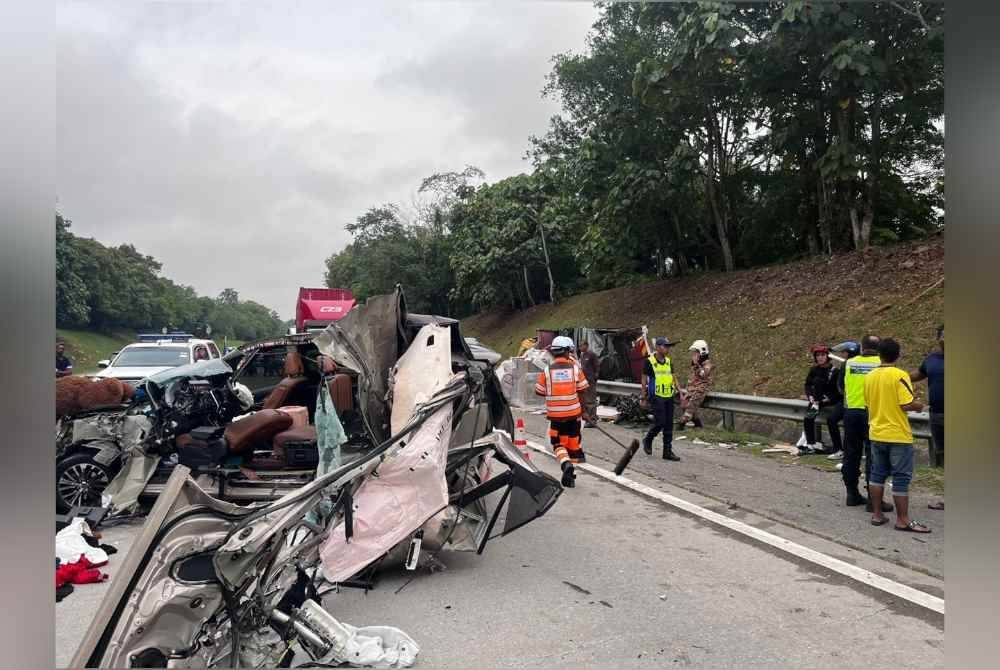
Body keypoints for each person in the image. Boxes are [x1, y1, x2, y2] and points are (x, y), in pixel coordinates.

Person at [866, 338, 930, 532]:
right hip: (898, 435)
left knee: (877, 474)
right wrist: (919, 406)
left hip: (876, 432)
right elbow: (906, 404)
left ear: (879, 354)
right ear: (898, 355)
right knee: (901, 477)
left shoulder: (869, 377)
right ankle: (902, 520)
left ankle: (877, 514)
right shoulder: (900, 375)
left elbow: (868, 403)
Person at [840, 334, 893, 512]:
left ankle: (852, 494)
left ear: (862, 348)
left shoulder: (849, 363)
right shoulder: (883, 363)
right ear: (879, 349)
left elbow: (841, 386)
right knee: (874, 456)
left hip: (851, 413)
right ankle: (873, 499)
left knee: (851, 454)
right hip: (873, 413)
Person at [535, 336, 590, 488]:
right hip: (574, 414)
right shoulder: (575, 369)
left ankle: (566, 466)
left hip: (556, 416)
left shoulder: (546, 371)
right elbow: (583, 391)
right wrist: (584, 411)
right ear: (567, 352)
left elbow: (539, 391)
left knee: (558, 443)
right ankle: (570, 475)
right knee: (572, 444)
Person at [911, 324, 944, 510]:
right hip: (937, 416)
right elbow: (918, 375)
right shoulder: (931, 359)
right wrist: (896, 376)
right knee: (945, 458)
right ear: (938, 338)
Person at [641, 337, 681, 461]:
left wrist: (680, 391)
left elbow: (673, 377)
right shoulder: (650, 361)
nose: (667, 348)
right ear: (657, 347)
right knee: (660, 422)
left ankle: (667, 451)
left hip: (669, 396)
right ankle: (648, 439)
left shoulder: (669, 361)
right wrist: (643, 396)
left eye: (668, 346)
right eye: (665, 346)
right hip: (656, 396)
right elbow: (643, 378)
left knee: (669, 424)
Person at [800, 344, 844, 455]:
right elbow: (808, 384)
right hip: (817, 400)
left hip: (832, 400)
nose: (820, 357)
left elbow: (839, 390)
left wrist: (828, 398)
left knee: (831, 421)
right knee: (808, 418)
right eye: (818, 355)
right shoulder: (814, 370)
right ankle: (811, 444)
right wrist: (810, 396)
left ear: (828, 356)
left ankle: (838, 448)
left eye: (823, 355)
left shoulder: (835, 371)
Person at [677, 339, 713, 430]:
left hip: (700, 390)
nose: (693, 355)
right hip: (692, 389)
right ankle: (698, 424)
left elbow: (704, 374)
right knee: (684, 405)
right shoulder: (695, 364)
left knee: (690, 408)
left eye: (695, 352)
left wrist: (697, 364)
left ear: (702, 352)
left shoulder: (707, 364)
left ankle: (681, 424)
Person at [577, 340, 600, 428]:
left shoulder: (592, 354)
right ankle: (587, 420)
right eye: (579, 346)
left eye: (581, 346)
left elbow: (597, 367)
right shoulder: (582, 355)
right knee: (585, 401)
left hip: (590, 381)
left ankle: (592, 420)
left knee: (591, 401)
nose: (580, 348)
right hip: (584, 382)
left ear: (586, 345)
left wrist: (595, 378)